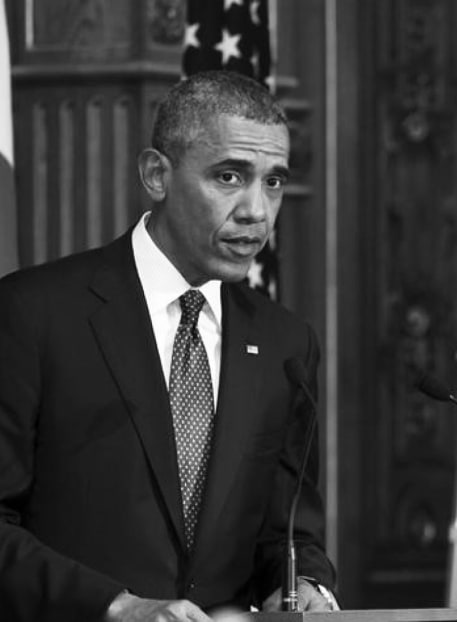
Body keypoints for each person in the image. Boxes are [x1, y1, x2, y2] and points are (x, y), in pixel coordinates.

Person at [0, 70, 337, 621]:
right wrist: (116, 606)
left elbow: (289, 533)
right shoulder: (34, 313)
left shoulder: (285, 344)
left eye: (273, 181)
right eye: (229, 176)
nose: (256, 210)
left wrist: (304, 587)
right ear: (157, 175)